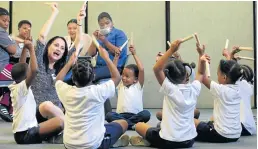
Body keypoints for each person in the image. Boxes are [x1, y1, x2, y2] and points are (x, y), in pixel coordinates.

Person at [130, 39, 206, 148]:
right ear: (187, 75)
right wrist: (201, 54)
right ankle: (157, 133)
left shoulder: (170, 89)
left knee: (139, 126)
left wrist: (171, 50)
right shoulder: (194, 88)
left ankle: (149, 140)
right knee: (161, 121)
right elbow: (201, 72)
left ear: (168, 77)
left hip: (168, 142)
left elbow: (157, 68)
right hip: (189, 141)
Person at [55, 44, 130, 148]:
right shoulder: (98, 91)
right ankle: (110, 142)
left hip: (69, 145)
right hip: (93, 145)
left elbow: (58, 80)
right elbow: (117, 78)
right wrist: (107, 58)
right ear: (93, 76)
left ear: (73, 79)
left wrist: (69, 63)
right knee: (123, 123)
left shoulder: (66, 91)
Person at [9, 39, 63, 144]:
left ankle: (51, 136)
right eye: (28, 71)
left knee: (52, 111)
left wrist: (25, 48)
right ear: (26, 76)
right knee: (61, 122)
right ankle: (53, 137)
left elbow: (22, 64)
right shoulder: (21, 88)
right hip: (25, 134)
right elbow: (34, 71)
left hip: (26, 130)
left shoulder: (17, 83)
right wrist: (31, 50)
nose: (30, 70)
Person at [194, 43, 243, 143]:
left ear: (224, 77)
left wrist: (201, 55)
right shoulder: (238, 86)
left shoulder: (221, 90)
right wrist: (229, 56)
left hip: (220, 135)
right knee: (211, 120)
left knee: (191, 121)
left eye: (218, 74)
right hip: (236, 134)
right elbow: (232, 69)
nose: (217, 76)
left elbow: (202, 76)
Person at [105, 44, 151, 130]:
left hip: (135, 115)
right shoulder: (120, 85)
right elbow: (113, 70)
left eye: (127, 76)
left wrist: (134, 54)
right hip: (120, 115)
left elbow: (141, 69)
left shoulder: (138, 86)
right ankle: (131, 125)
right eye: (123, 75)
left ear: (136, 79)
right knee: (109, 115)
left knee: (146, 114)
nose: (123, 78)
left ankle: (124, 124)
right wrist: (116, 57)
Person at [222, 46, 256, 136]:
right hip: (250, 127)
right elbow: (235, 72)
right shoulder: (248, 87)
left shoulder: (239, 85)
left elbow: (231, 72)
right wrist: (232, 56)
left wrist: (228, 55)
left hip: (242, 125)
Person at [0, 7, 18, 122]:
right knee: (19, 76)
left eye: (8, 21)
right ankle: (4, 105)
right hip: (1, 66)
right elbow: (13, 50)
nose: (6, 23)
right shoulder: (1, 32)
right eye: (3, 20)